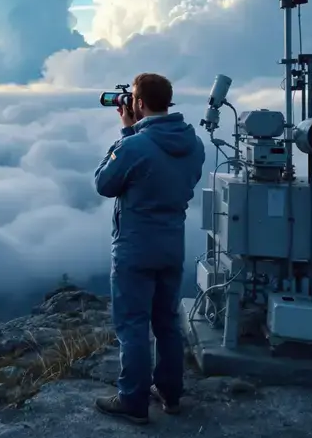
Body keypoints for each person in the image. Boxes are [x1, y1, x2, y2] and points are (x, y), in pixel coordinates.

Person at [92, 72, 206, 425]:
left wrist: (127, 132)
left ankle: (133, 401)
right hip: (172, 244)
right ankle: (170, 394)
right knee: (167, 323)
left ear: (138, 104)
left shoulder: (134, 145)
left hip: (135, 247)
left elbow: (103, 183)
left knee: (134, 326)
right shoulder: (194, 143)